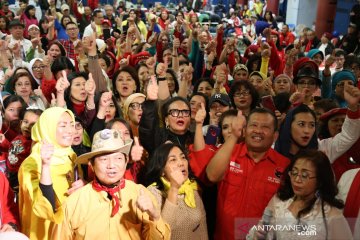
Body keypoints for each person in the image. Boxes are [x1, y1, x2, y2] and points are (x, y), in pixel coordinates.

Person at [52, 129, 171, 239]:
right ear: (91, 165)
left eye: (118, 158)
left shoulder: (140, 194)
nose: (111, 165)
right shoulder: (74, 202)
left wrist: (155, 217)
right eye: (104, 159)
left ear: (125, 162)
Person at [192, 108, 290, 239]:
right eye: (253, 125)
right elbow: (212, 176)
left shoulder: (285, 166)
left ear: (275, 135)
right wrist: (234, 136)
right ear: (245, 129)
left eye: (265, 127)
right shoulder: (228, 152)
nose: (258, 130)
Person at [249, 150, 353, 239]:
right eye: (294, 173)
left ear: (320, 180)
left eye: (304, 175)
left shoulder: (330, 215)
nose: (297, 180)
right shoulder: (279, 201)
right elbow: (261, 232)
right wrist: (259, 235)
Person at [18, 107, 84, 239]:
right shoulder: (31, 164)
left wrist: (84, 186)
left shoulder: (71, 155)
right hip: (46, 231)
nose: (70, 130)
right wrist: (46, 166)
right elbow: (42, 207)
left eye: (72, 124)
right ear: (47, 128)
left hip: (70, 228)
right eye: (63, 125)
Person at [145, 143, 208, 239]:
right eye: (173, 160)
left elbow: (202, 228)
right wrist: (174, 189)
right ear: (162, 170)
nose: (181, 163)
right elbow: (163, 232)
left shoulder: (192, 187)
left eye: (183, 157)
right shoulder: (152, 193)